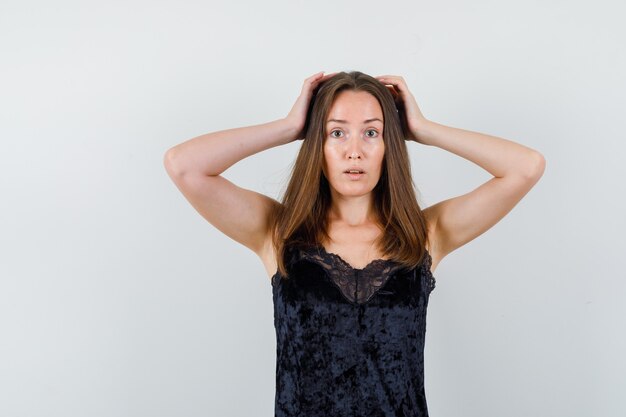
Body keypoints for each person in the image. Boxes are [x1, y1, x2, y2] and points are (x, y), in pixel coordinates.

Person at [163, 70, 545, 417]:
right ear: (318, 144)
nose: (354, 151)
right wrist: (290, 126)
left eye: (372, 132)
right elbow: (184, 165)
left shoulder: (424, 234)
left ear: (389, 144)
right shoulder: (278, 233)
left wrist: (423, 129)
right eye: (337, 132)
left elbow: (526, 167)